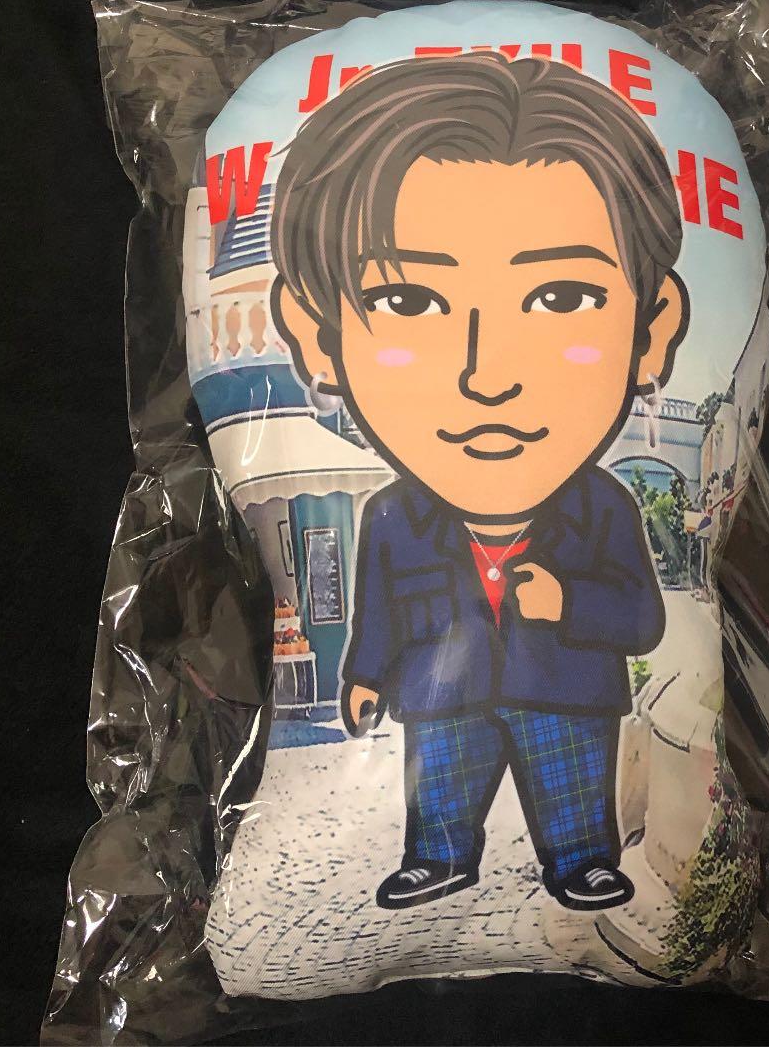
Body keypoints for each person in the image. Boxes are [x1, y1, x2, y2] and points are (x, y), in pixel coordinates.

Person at [270, 52, 688, 912]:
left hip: (564, 689)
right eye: (409, 303)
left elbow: (643, 619)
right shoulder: (392, 515)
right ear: (318, 340)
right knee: (442, 784)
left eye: (562, 299)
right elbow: (377, 610)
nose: (486, 376)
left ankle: (581, 861)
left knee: (571, 781)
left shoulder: (604, 507)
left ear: (651, 334)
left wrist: (566, 604)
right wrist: (365, 674)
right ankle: (438, 857)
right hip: (440, 693)